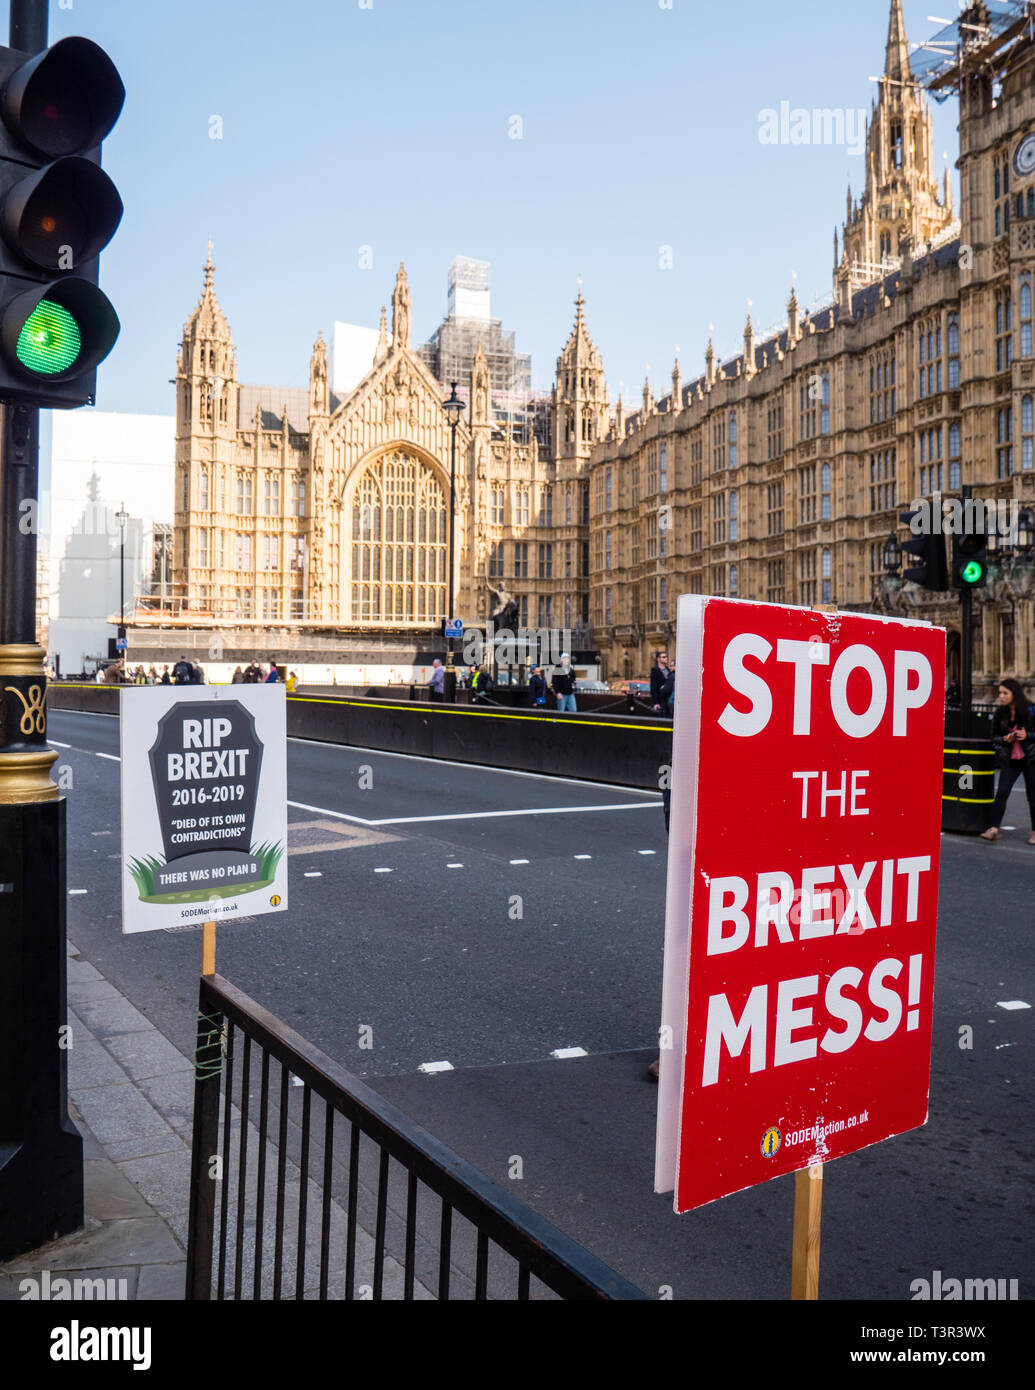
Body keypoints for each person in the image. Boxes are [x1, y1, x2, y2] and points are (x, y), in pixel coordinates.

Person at [980, 678, 1035, 844]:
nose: (1001, 696)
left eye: (1005, 693)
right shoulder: (1000, 713)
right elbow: (993, 737)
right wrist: (1004, 739)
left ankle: (1034, 832)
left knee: (1033, 796)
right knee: (1002, 792)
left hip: (1030, 758)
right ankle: (994, 829)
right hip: (1011, 759)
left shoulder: (1031, 709)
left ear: (1014, 693)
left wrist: (1029, 735)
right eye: (1000, 693)